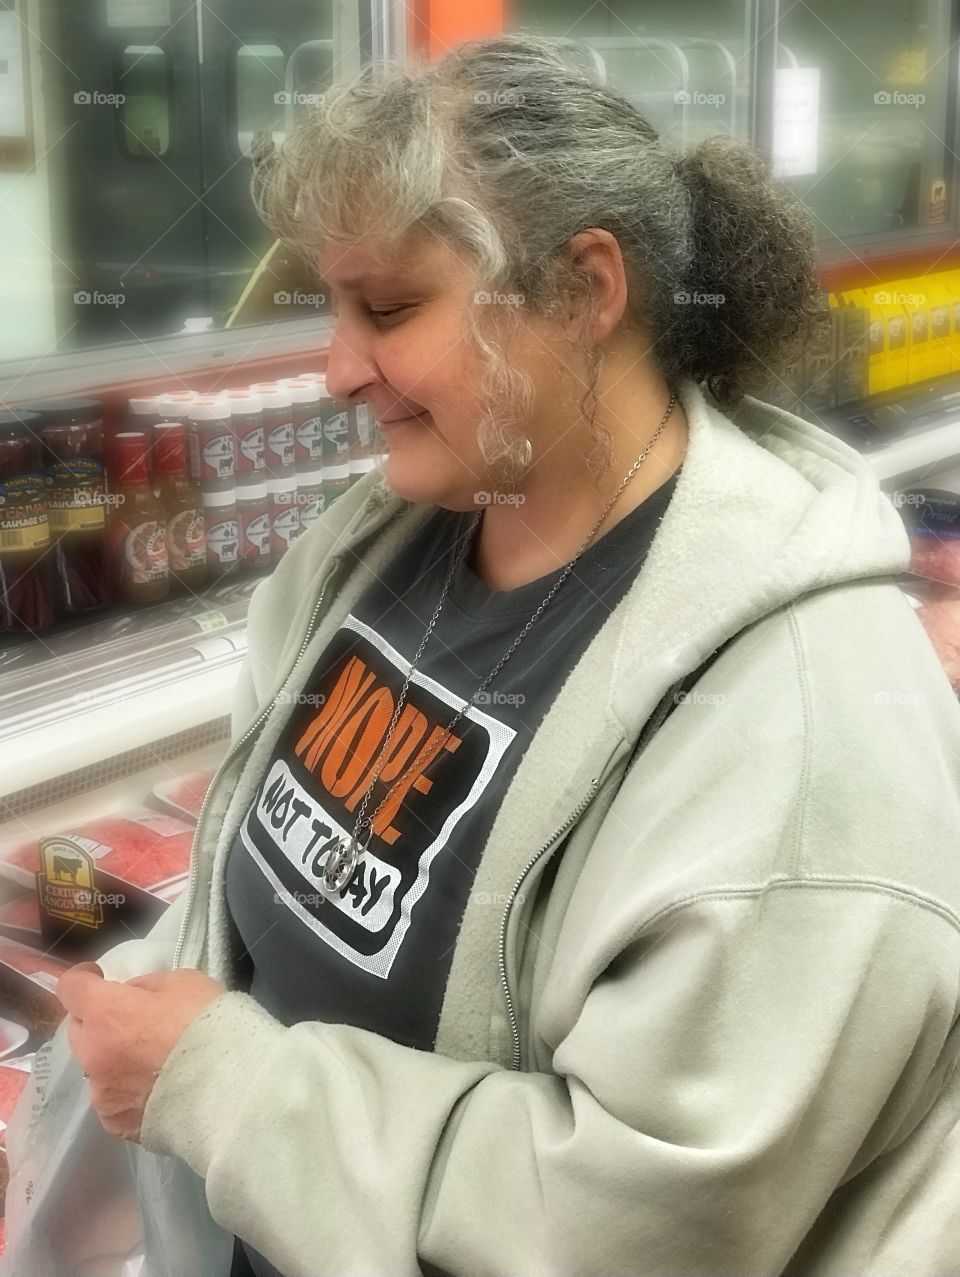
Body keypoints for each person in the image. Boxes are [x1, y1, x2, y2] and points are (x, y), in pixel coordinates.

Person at [40, 31, 960, 1277]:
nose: (337, 369)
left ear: (584, 290)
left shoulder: (805, 733)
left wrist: (219, 1082)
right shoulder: (385, 541)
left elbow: (640, 1227)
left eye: (392, 307)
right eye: (333, 306)